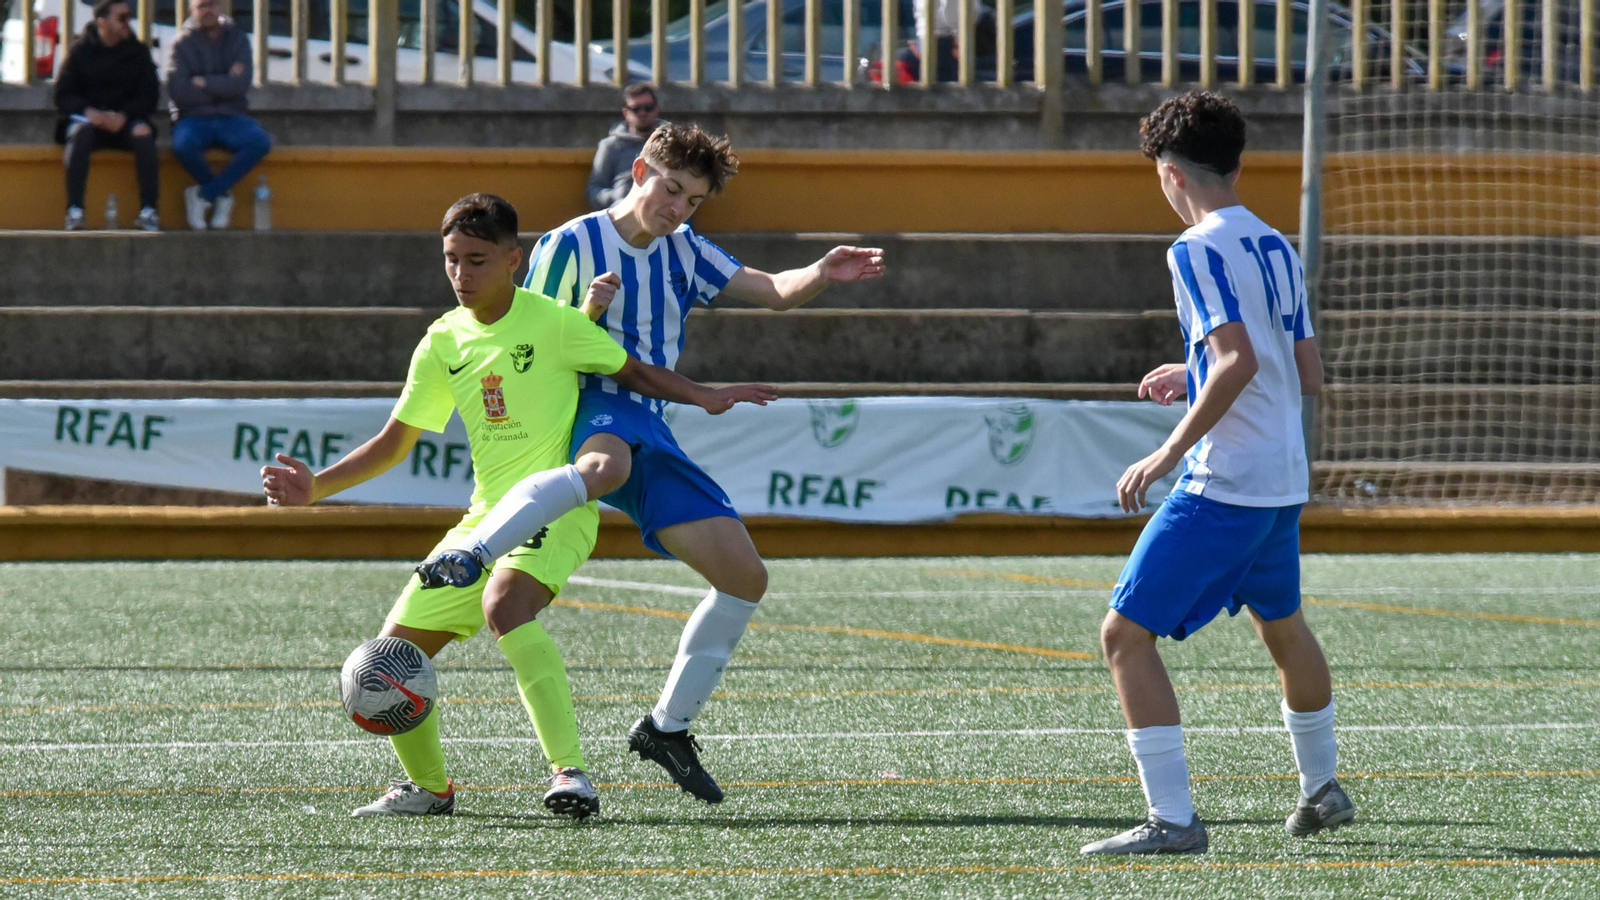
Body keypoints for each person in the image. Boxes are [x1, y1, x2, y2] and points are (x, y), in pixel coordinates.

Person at [260, 193, 775, 819]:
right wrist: (316, 488)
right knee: (390, 660)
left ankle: (570, 774)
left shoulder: (554, 322)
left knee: (504, 602)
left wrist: (705, 396)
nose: (461, 275)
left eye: (476, 260)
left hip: (555, 513)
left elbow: (634, 372)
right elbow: (395, 441)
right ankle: (430, 788)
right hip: (485, 517)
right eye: (451, 260)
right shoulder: (442, 340)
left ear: (514, 260)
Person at [415, 124, 885, 806]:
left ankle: (666, 728)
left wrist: (821, 272)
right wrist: (590, 310)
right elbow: (533, 334)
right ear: (639, 171)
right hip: (590, 406)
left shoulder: (686, 251)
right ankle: (474, 553)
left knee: (745, 577)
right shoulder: (571, 242)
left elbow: (775, 289)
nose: (676, 208)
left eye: (692, 200)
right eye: (670, 189)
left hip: (649, 422)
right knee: (599, 471)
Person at [1078, 91, 1352, 856]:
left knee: (1125, 637)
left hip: (1224, 483)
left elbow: (1237, 360)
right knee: (1284, 626)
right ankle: (1321, 789)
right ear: (1233, 163)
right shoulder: (1275, 243)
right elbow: (1306, 373)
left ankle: (1173, 821)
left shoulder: (1194, 248)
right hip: (1281, 482)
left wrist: (1167, 452)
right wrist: (1193, 369)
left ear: (1169, 174)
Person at [52, 0, 160, 232]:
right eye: (121, 18)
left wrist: (125, 115)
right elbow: (63, 95)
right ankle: (75, 211)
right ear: (102, 23)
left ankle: (149, 211)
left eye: (129, 17)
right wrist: (88, 112)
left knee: (144, 133)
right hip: (90, 122)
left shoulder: (138, 52)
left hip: (125, 121)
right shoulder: (80, 50)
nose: (127, 24)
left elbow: (149, 96)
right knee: (80, 133)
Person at [166, 0, 273, 231]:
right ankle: (223, 196)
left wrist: (203, 82)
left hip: (231, 116)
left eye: (212, 4)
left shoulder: (238, 39)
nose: (208, 10)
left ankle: (205, 195)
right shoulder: (180, 44)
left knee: (259, 142)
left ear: (222, 7)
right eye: (201, 5)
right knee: (183, 145)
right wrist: (223, 84)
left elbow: (240, 85)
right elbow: (180, 92)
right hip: (193, 117)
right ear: (191, 10)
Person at [586, 82, 661, 210]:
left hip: (663, 205)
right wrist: (618, 198)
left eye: (648, 107)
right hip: (625, 209)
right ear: (626, 113)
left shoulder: (673, 143)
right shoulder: (611, 146)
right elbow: (594, 190)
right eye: (636, 109)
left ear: (657, 109)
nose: (643, 113)